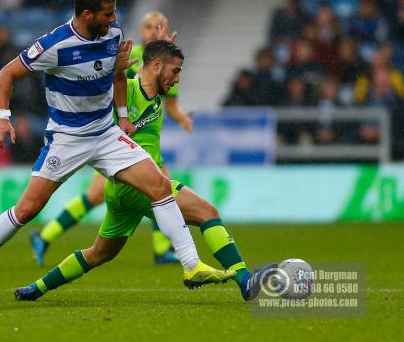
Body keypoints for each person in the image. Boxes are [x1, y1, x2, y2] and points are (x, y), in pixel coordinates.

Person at [0, 0, 231, 304]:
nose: (113, 20)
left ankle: (191, 266)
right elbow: (5, 75)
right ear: (86, 14)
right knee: (27, 209)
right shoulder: (55, 45)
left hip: (106, 133)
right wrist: (2, 117)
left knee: (159, 185)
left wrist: (123, 115)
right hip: (66, 139)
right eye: (107, 14)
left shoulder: (112, 35)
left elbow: (119, 74)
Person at [14, 41, 277, 302]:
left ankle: (36, 288)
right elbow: (108, 87)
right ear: (157, 66)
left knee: (99, 253)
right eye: (174, 72)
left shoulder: (156, 100)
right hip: (139, 184)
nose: (176, 80)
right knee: (207, 212)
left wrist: (162, 48)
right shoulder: (125, 92)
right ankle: (244, 279)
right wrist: (114, 69)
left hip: (121, 192)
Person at [30, 11, 191, 267]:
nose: (152, 32)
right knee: (102, 195)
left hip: (140, 140)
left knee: (159, 185)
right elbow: (118, 85)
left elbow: (169, 103)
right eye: (148, 27)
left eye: (156, 27)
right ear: (141, 30)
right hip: (113, 138)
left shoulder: (169, 66)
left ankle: (162, 249)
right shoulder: (129, 52)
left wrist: (181, 117)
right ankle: (44, 235)